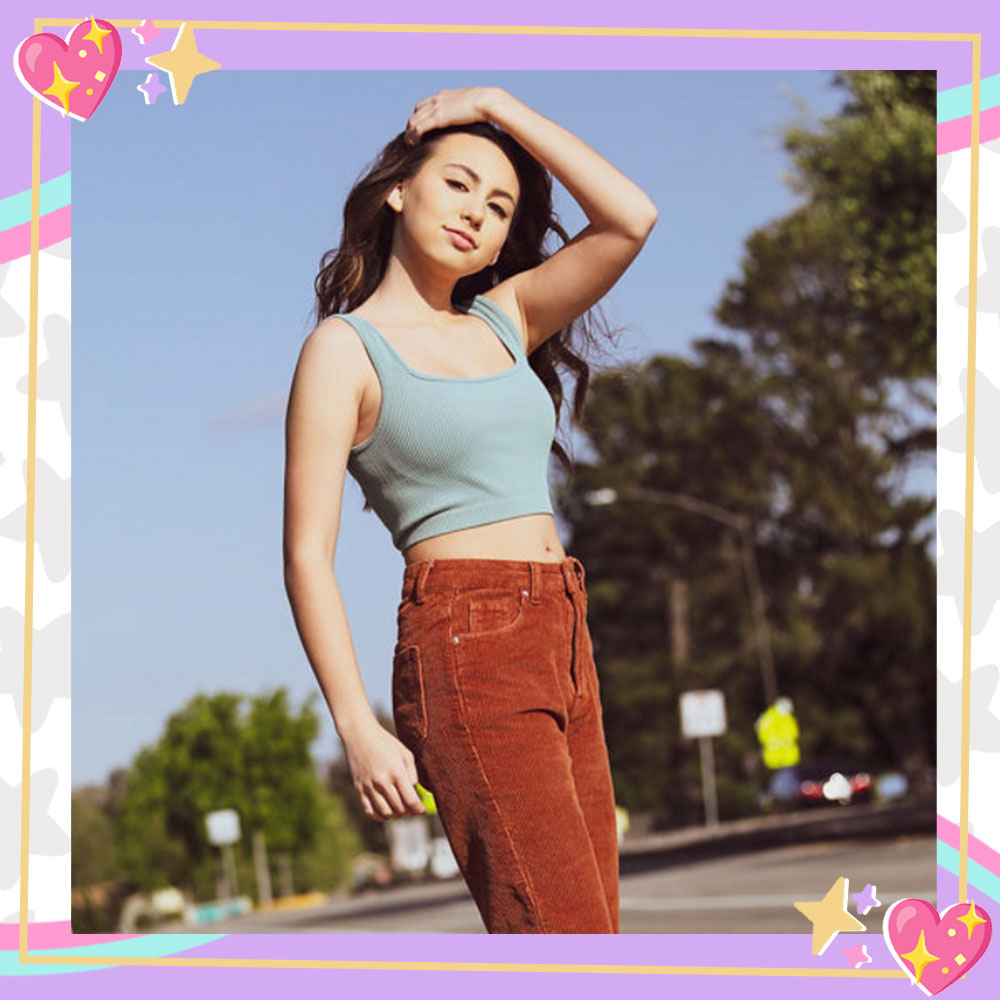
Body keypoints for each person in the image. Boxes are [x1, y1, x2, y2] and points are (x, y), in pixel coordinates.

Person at [283, 86, 657, 933]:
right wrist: (357, 725)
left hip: (562, 624)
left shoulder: (505, 317)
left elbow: (631, 218)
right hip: (467, 643)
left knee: (594, 933)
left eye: (500, 207)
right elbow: (307, 554)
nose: (477, 216)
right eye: (458, 184)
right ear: (398, 189)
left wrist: (499, 105)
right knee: (567, 940)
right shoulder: (343, 351)